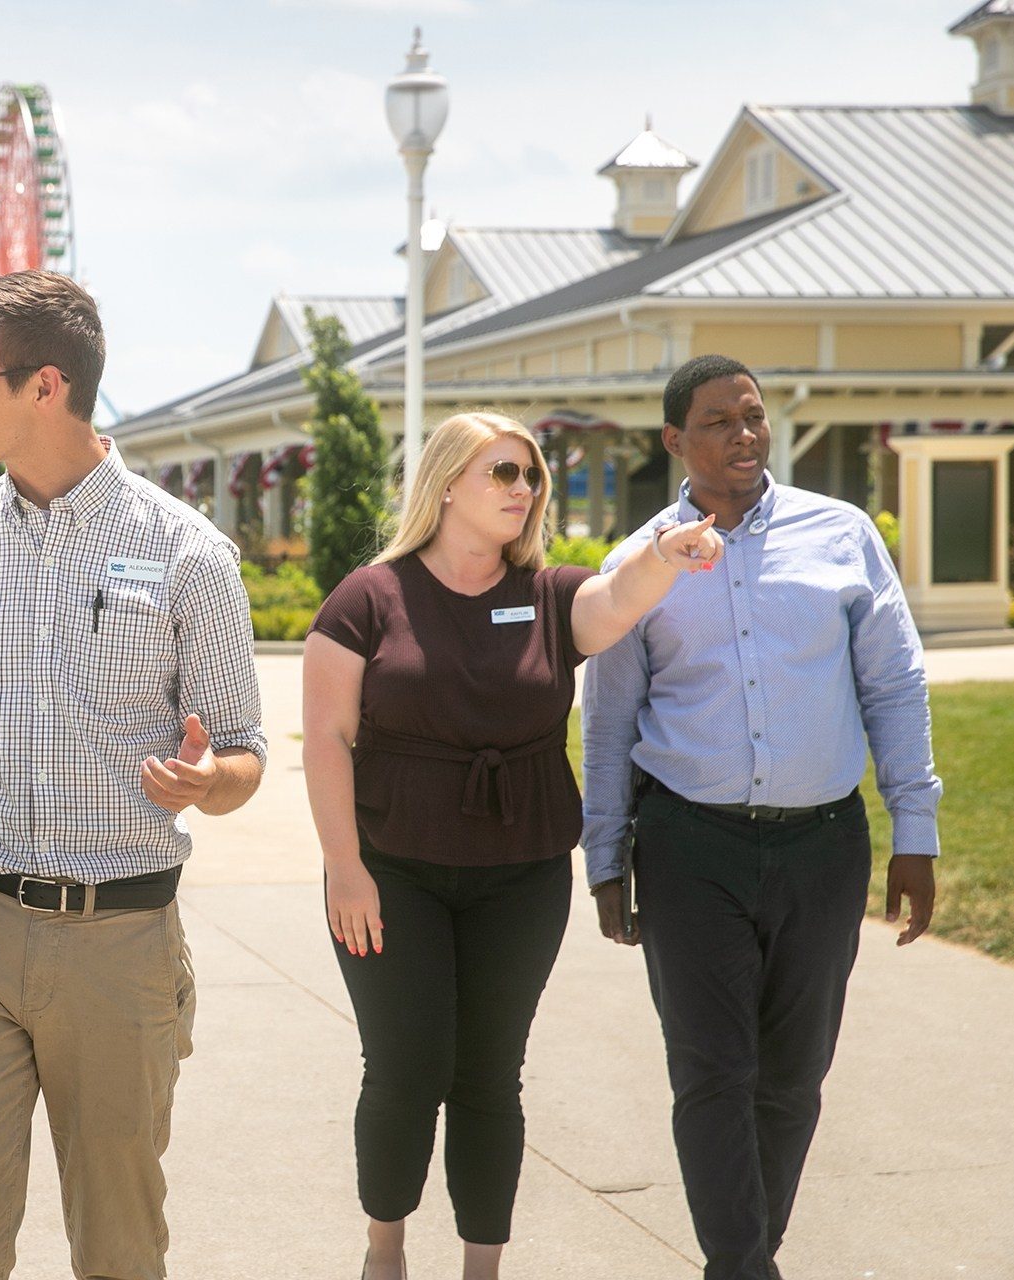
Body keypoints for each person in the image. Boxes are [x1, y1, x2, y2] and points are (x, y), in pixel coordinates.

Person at [0, 269, 267, 1280]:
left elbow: (245, 750)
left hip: (120, 941)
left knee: (119, 1248)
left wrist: (210, 781)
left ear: (46, 385)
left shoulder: (188, 554)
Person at [303, 411, 723, 1280]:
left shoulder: (549, 594)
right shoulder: (366, 599)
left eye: (531, 475)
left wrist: (665, 555)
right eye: (503, 472)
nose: (523, 489)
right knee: (407, 1068)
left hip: (521, 875)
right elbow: (327, 741)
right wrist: (345, 867)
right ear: (447, 482)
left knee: (491, 1075)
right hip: (391, 873)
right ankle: (385, 1250)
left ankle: (482, 1266)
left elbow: (617, 601)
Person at [581, 354, 941, 1280]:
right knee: (712, 1074)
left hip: (824, 845)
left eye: (753, 415)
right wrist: (605, 856)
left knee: (792, 1078)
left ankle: (740, 1261)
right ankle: (743, 1267)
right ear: (675, 441)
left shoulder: (842, 535)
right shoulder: (638, 564)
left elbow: (895, 686)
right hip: (689, 848)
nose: (744, 434)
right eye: (718, 421)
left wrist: (915, 831)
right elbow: (609, 720)